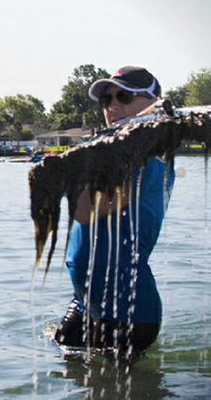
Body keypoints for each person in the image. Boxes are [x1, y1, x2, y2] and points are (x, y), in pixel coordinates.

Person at [54, 66, 176, 360]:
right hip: (84, 302)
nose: (113, 107)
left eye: (123, 96)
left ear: (153, 104)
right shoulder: (107, 154)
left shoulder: (150, 161)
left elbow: (86, 212)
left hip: (130, 309)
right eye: (106, 101)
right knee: (69, 374)